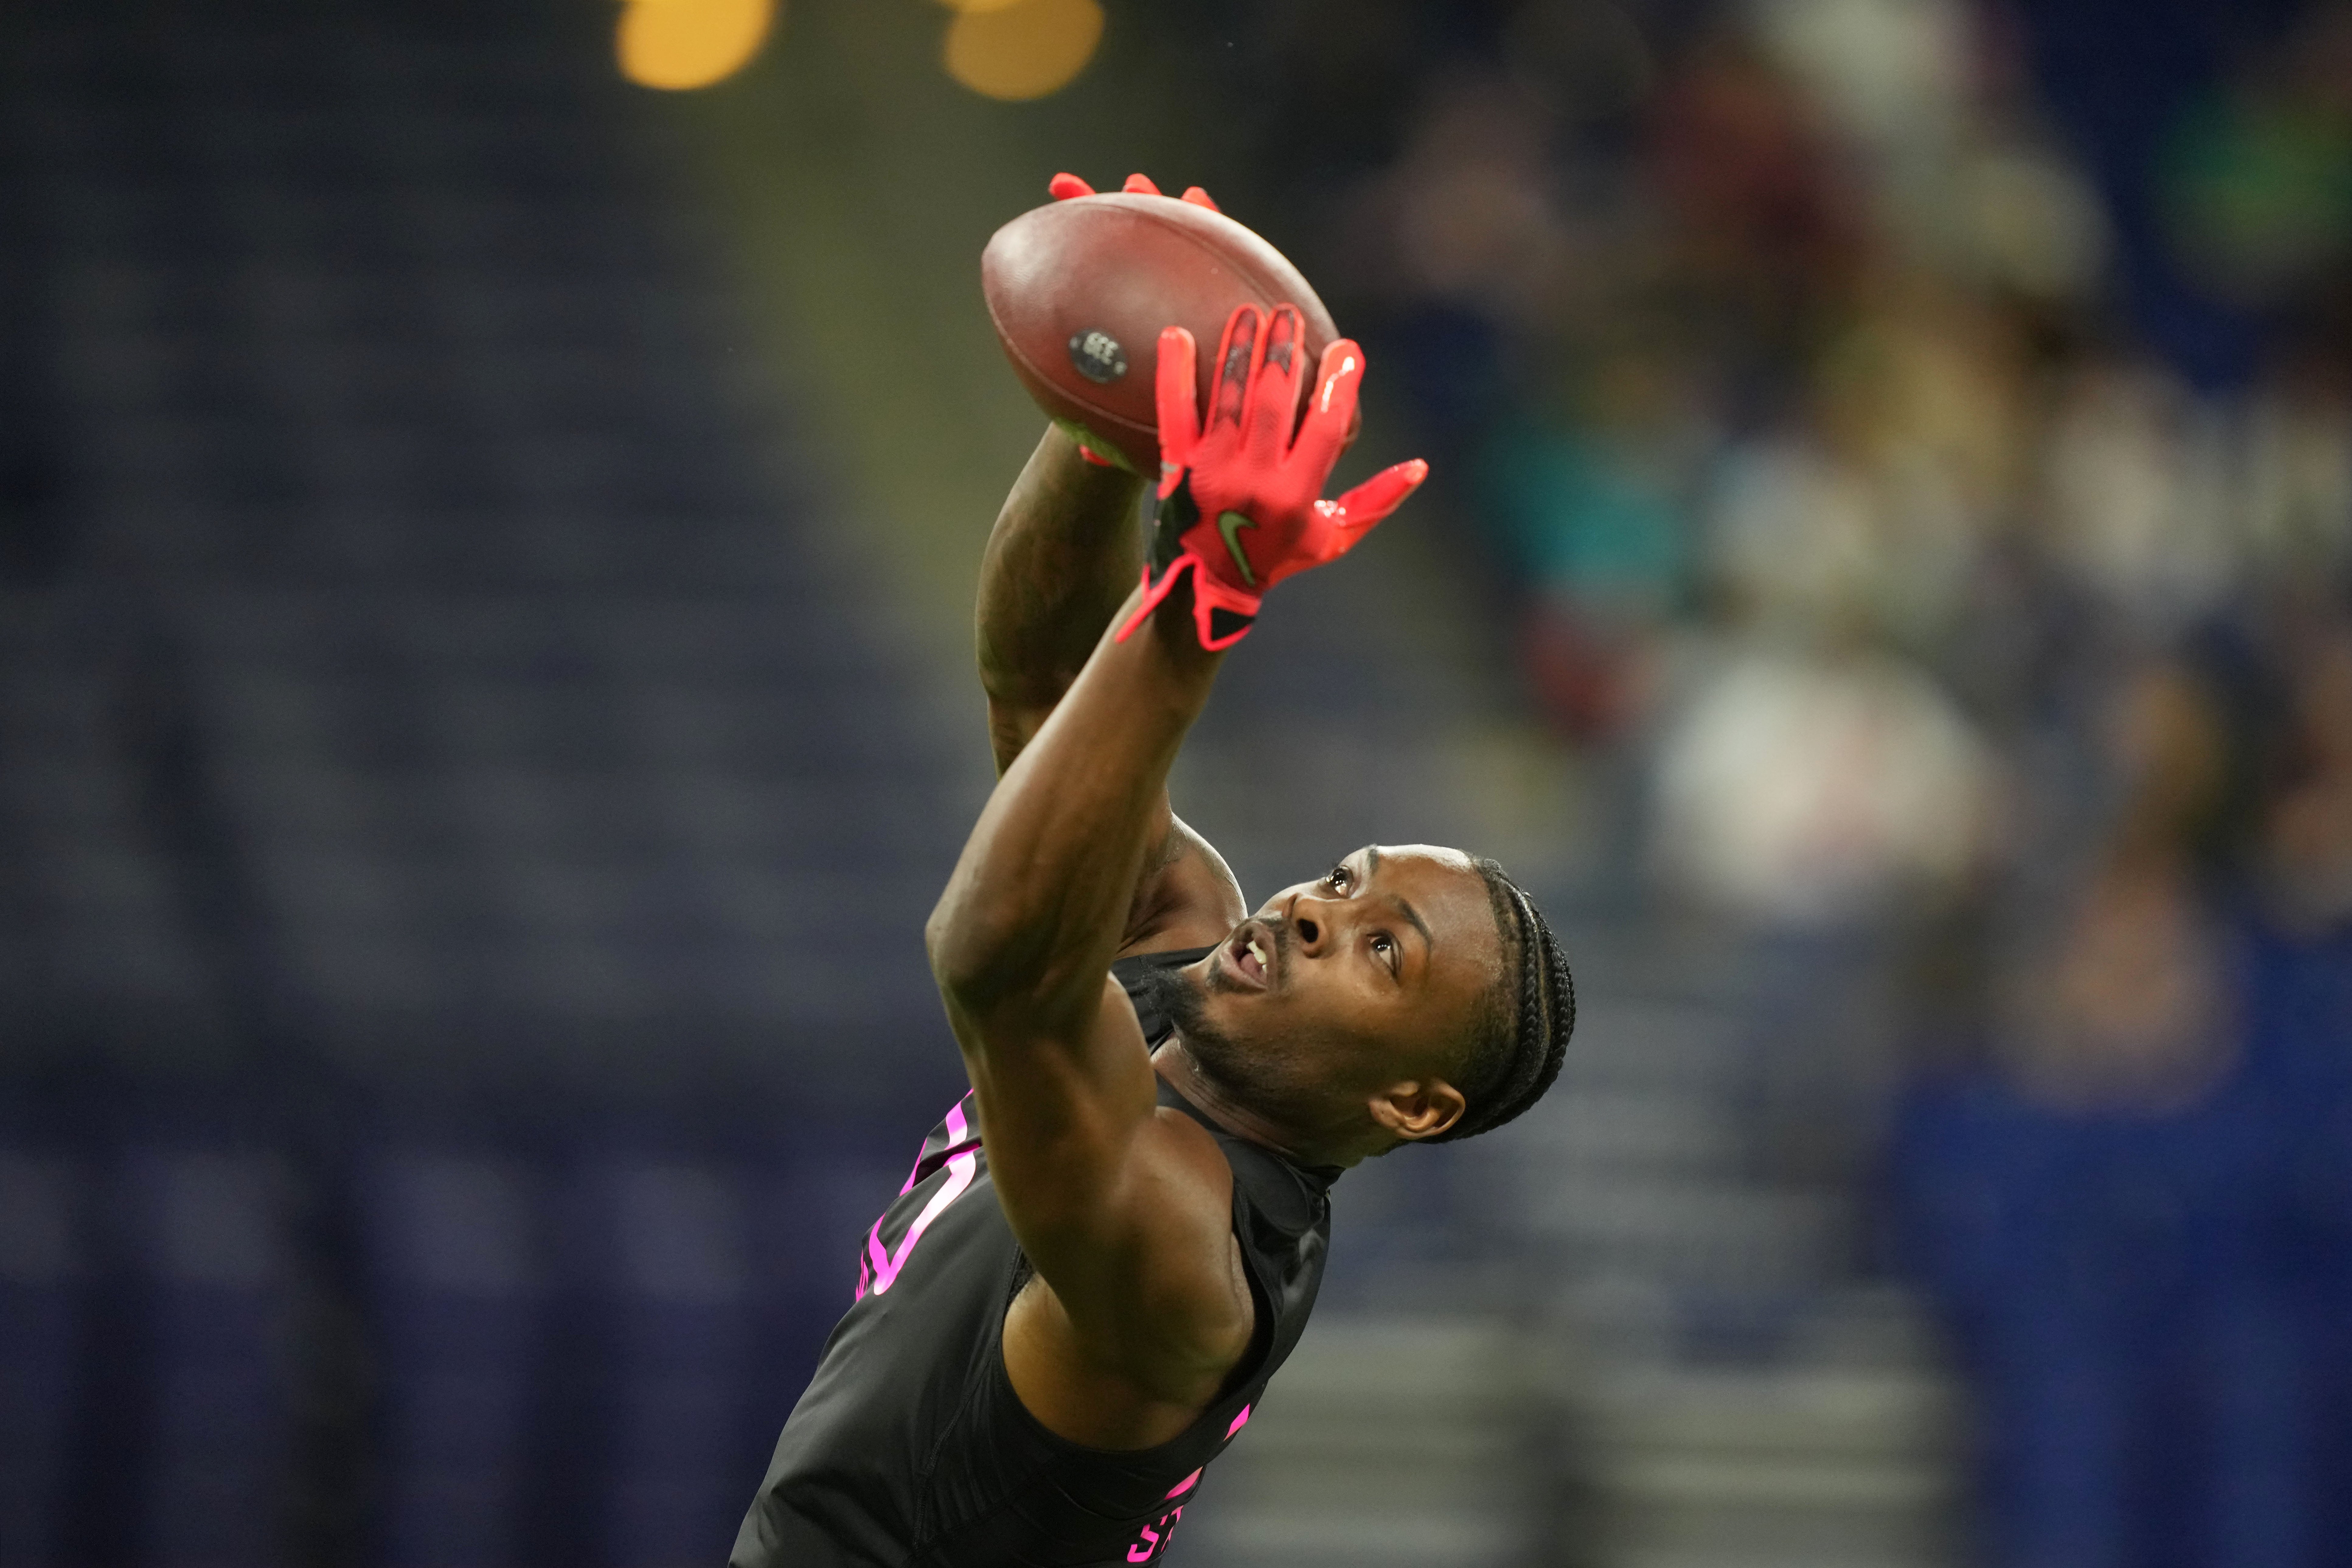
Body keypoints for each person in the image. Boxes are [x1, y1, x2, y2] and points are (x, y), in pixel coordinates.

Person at [731, 177, 1576, 1568]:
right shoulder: (1182, 942)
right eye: (1350, 880)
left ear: (1412, 1100)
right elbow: (1039, 677)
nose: (1312, 909)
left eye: (1383, 950)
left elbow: (996, 965)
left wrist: (1202, 601)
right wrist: (1118, 424)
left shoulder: (1188, 1267)